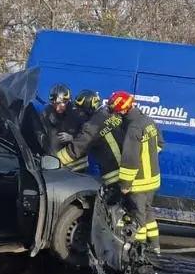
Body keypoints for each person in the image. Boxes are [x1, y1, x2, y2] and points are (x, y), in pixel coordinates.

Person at [108, 90, 164, 255]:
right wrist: (147, 156)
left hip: (139, 182)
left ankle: (138, 251)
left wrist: (125, 184)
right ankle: (154, 246)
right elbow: (160, 144)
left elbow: (130, 159)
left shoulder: (133, 128)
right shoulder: (147, 120)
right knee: (147, 212)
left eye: (115, 111)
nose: (115, 114)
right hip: (152, 180)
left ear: (123, 110)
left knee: (137, 217)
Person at [56, 90, 124, 185]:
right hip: (127, 169)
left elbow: (76, 149)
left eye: (81, 109)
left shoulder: (92, 125)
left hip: (114, 174)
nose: (80, 113)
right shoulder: (111, 115)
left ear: (89, 107)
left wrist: (55, 160)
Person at [42, 83, 85, 154]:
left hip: (73, 157)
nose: (57, 107)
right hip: (53, 157)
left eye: (60, 103)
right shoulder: (46, 113)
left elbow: (87, 136)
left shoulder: (77, 114)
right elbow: (40, 133)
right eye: (55, 104)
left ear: (67, 101)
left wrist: (72, 137)